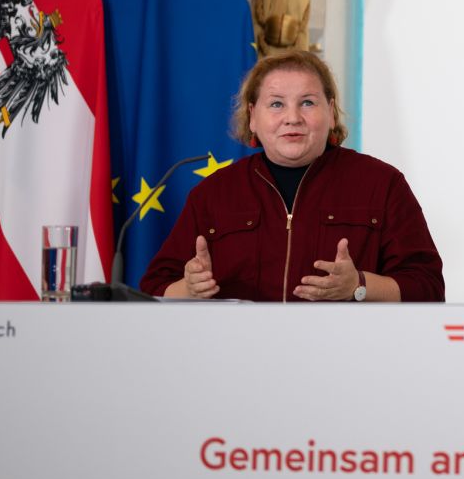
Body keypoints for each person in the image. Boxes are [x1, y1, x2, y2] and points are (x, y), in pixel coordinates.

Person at [139, 50, 444, 302]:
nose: (292, 118)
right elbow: (152, 290)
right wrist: (189, 290)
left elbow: (429, 288)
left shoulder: (382, 184)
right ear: (252, 116)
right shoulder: (213, 194)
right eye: (276, 104)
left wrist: (358, 285)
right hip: (238, 360)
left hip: (346, 361)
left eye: (308, 102)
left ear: (332, 112)